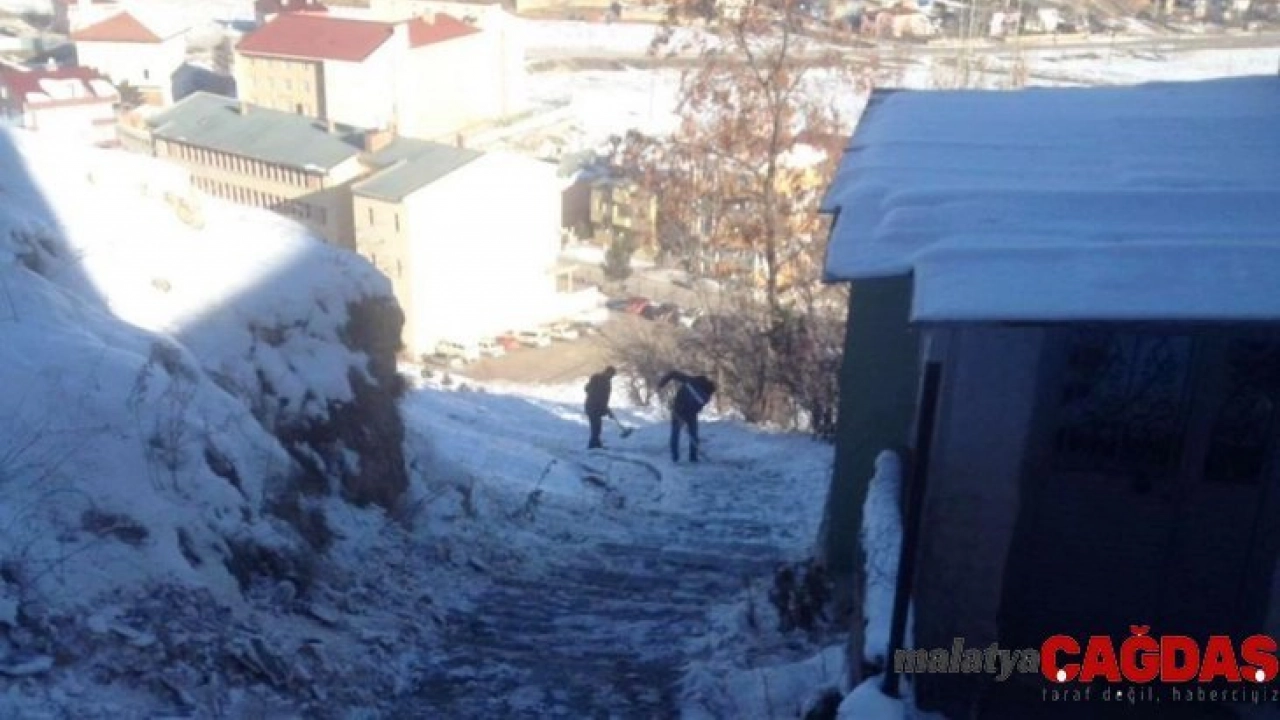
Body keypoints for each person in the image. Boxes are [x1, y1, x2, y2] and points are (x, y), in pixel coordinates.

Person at [657, 370, 716, 463]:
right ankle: (675, 458)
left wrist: (689, 416)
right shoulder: (693, 383)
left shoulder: (703, 394)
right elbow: (673, 374)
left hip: (691, 413)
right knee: (676, 433)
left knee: (693, 434)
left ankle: (693, 457)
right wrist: (661, 384)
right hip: (678, 410)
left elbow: (698, 407)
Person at [584, 366, 617, 449]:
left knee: (597, 426)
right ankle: (593, 445)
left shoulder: (603, 380)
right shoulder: (599, 379)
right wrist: (605, 409)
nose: (612, 377)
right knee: (596, 426)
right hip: (593, 406)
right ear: (608, 372)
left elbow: (603, 397)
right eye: (612, 375)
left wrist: (606, 409)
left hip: (594, 406)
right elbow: (597, 395)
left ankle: (596, 444)